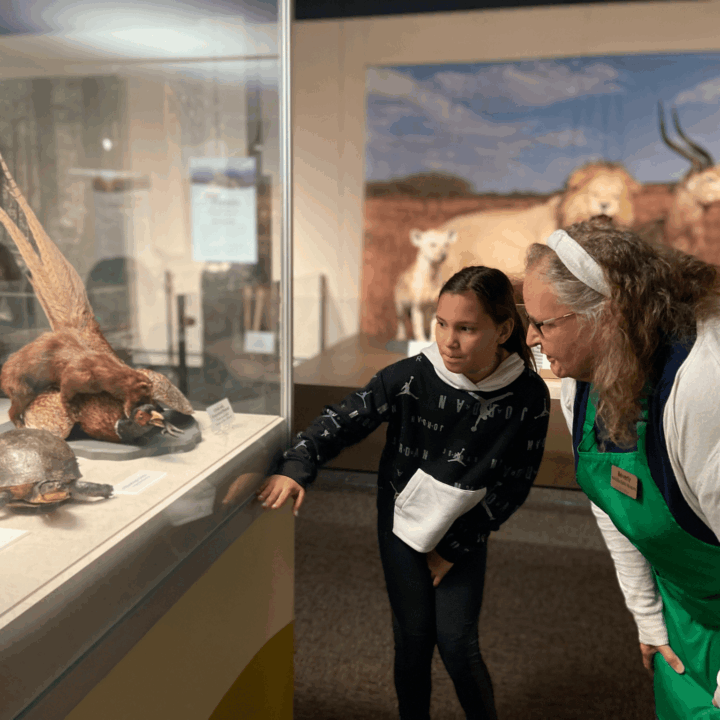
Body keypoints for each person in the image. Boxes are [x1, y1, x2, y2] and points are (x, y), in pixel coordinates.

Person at [257, 265, 550, 720]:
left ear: (504, 329)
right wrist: (298, 465)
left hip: (464, 531)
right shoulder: (411, 375)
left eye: (467, 328)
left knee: (457, 644)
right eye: (442, 324)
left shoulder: (527, 394)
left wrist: (456, 546)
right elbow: (341, 420)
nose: (449, 340)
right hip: (401, 525)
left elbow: (518, 480)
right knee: (413, 640)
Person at [522, 214, 720, 719]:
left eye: (544, 323)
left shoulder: (701, 386)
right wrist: (649, 616)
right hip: (685, 613)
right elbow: (616, 505)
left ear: (608, 315)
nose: (530, 338)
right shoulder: (581, 380)